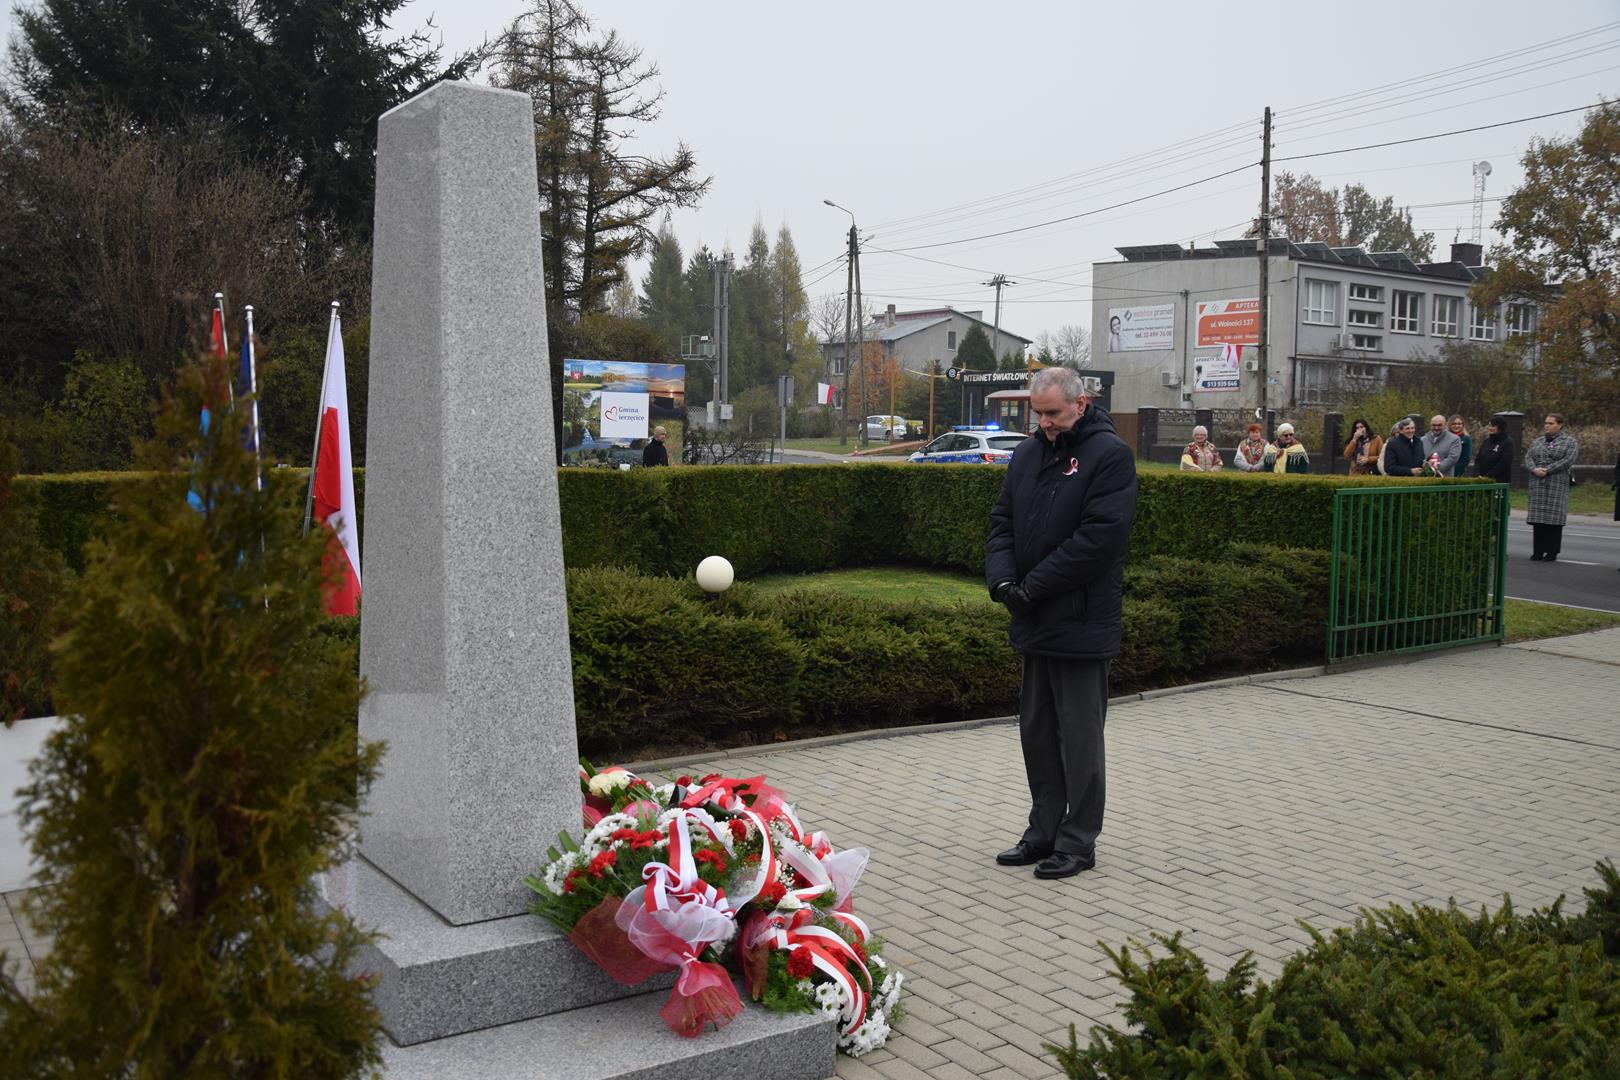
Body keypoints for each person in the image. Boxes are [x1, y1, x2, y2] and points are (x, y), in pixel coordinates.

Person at [986, 366, 1136, 880]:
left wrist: (1034, 586)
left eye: (1053, 413)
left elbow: (1100, 539)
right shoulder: (1027, 454)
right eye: (1039, 413)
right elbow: (1002, 523)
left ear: (1082, 403)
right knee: (1038, 733)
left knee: (1079, 739)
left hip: (1079, 622)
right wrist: (1004, 582)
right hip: (1033, 617)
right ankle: (1043, 831)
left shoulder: (1109, 456)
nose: (1045, 423)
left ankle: (1078, 841)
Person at [1525, 413, 1578, 562]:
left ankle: (1552, 552)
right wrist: (1534, 469)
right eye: (1546, 423)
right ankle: (1538, 551)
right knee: (1539, 520)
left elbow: (1568, 460)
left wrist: (1548, 470)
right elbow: (1528, 457)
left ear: (1559, 425)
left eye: (1551, 423)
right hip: (1538, 484)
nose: (1547, 426)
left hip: (1556, 484)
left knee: (1553, 521)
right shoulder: (1538, 441)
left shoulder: (1569, 442)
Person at [1474, 418, 1514, 483]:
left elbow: (1504, 463)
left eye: (1493, 426)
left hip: (1499, 481)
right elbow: (1478, 459)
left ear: (1500, 427)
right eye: (1489, 425)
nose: (1490, 428)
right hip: (1481, 479)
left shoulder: (1508, 442)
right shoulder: (1486, 441)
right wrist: (1477, 474)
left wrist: (1488, 476)